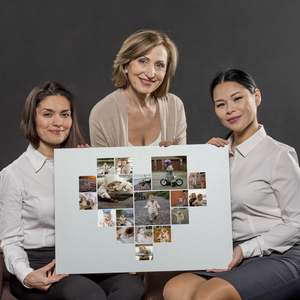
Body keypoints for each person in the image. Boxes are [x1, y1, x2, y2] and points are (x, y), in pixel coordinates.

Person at [163, 69, 300, 300]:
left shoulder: (279, 155)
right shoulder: (213, 156)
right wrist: (181, 160)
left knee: (209, 295)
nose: (230, 110)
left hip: (279, 251)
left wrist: (244, 249)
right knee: (175, 289)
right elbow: (186, 209)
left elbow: (296, 222)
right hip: (228, 250)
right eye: (220, 104)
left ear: (256, 97)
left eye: (237, 98)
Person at [0, 82, 144, 300]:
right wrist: (27, 275)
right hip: (40, 262)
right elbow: (10, 240)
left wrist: (90, 174)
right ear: (32, 118)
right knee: (88, 294)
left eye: (64, 114)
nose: (58, 122)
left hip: (83, 257)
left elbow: (107, 216)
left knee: (131, 286)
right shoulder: (14, 174)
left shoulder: (83, 163)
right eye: (48, 114)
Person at [89, 29, 187, 147]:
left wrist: (202, 152)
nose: (151, 74)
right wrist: (164, 160)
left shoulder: (175, 107)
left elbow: (181, 165)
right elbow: (106, 165)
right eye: (142, 61)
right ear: (125, 65)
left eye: (159, 65)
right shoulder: (102, 113)